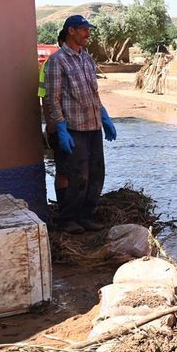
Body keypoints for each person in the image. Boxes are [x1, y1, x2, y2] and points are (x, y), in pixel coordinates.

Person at [42, 15, 118, 234]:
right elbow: (52, 98)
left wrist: (104, 117)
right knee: (77, 175)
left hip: (93, 126)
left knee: (96, 173)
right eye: (84, 30)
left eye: (88, 29)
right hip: (74, 128)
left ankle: (86, 216)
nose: (88, 33)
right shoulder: (58, 61)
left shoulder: (86, 58)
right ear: (71, 31)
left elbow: (93, 93)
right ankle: (68, 220)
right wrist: (61, 128)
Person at [38, 30, 68, 202]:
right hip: (59, 124)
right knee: (63, 170)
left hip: (77, 125)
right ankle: (65, 209)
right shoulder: (51, 64)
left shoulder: (80, 60)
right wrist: (51, 125)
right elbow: (45, 96)